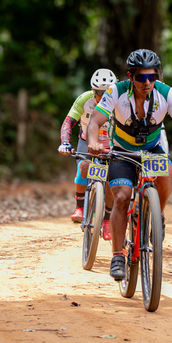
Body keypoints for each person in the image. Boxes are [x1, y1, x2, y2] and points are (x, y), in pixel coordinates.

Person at [86, 49, 172, 280]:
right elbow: (95, 122)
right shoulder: (116, 91)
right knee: (121, 197)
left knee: (166, 173)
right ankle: (117, 257)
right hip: (122, 150)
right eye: (141, 77)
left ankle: (156, 213)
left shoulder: (167, 93)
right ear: (131, 77)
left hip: (152, 149)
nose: (147, 82)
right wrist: (92, 143)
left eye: (152, 77)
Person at [57, 68, 117, 240]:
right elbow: (68, 122)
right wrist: (65, 143)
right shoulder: (84, 99)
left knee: (109, 180)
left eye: (106, 93)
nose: (102, 97)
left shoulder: (120, 103)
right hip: (87, 140)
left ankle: (106, 220)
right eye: (98, 93)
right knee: (83, 165)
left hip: (110, 144)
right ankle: (80, 206)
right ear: (92, 91)